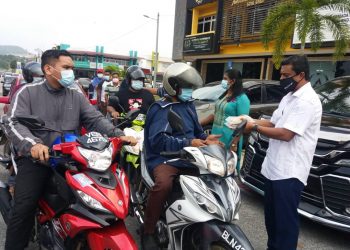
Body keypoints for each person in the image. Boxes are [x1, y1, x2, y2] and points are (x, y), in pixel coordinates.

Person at [4, 49, 136, 250]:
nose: (71, 73)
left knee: (98, 200)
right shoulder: (28, 92)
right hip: (38, 159)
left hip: (71, 157)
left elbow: (94, 118)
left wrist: (117, 134)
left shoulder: (75, 92)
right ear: (48, 69)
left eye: (72, 68)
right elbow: (12, 122)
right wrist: (33, 144)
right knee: (23, 207)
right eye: (66, 68)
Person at [239, 55, 322, 250]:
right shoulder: (289, 97)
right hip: (274, 169)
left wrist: (254, 128)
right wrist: (248, 120)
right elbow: (274, 122)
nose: (282, 79)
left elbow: (286, 134)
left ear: (301, 75)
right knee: (272, 220)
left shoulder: (307, 101)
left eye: (286, 75)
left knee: (285, 224)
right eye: (281, 74)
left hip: (289, 172)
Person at [142, 63, 222, 249]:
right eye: (186, 86)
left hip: (189, 155)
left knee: (212, 178)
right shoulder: (161, 108)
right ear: (173, 85)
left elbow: (196, 132)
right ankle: (149, 230)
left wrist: (206, 138)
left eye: (190, 87)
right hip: (164, 157)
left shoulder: (188, 105)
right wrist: (188, 143)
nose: (189, 91)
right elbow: (157, 141)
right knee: (164, 185)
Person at [200, 69, 250, 168]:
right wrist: (198, 123)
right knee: (214, 163)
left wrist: (234, 143)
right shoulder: (224, 95)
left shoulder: (242, 98)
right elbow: (216, 114)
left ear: (233, 81)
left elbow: (243, 122)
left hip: (230, 137)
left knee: (226, 164)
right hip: (216, 134)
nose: (223, 81)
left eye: (225, 79)